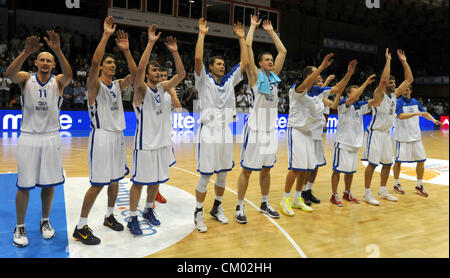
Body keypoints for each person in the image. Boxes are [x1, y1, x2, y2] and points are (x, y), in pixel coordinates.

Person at [5, 31, 72, 247]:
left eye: (49, 60)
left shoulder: (59, 82)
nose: (45, 62)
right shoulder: (26, 79)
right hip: (29, 137)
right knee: (24, 186)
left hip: (51, 138)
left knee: (49, 184)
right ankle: (20, 226)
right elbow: (9, 73)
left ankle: (45, 221)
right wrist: (25, 51)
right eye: (41, 59)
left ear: (53, 65)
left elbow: (70, 75)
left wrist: (58, 51)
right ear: (36, 63)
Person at [73, 17, 137, 245]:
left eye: (114, 63)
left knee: (115, 180)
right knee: (98, 183)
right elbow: (93, 63)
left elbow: (136, 76)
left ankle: (109, 215)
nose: (113, 65)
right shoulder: (94, 85)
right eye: (109, 63)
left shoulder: (118, 85)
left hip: (118, 136)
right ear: (102, 67)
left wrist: (127, 51)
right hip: (100, 136)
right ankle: (80, 226)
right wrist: (106, 35)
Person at [127, 25, 186, 236]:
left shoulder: (164, 88)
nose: (156, 73)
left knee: (156, 181)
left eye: (158, 71)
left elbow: (181, 73)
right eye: (153, 70)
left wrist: (175, 52)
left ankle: (148, 210)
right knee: (139, 183)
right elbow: (139, 71)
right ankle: (132, 218)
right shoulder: (141, 90)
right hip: (145, 146)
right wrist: (150, 43)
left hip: (162, 144)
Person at [193, 18, 247, 232]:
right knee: (206, 174)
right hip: (209, 130)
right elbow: (197, 57)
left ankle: (217, 207)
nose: (222, 66)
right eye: (218, 64)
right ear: (210, 67)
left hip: (225, 130)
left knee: (223, 173)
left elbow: (244, 64)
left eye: (223, 64)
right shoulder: (204, 79)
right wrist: (202, 34)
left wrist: (241, 39)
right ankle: (197, 212)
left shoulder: (230, 80)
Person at [235, 15, 286, 224]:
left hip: (269, 131)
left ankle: (264, 203)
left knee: (267, 169)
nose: (271, 61)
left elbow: (283, 51)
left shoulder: (275, 76)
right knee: (247, 170)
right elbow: (247, 46)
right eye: (267, 59)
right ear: (259, 63)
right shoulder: (255, 76)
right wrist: (253, 28)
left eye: (271, 60)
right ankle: (239, 205)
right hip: (254, 130)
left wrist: (272, 31)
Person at [295, 60, 357, 207]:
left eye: (321, 78)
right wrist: (328, 82)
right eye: (318, 77)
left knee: (315, 166)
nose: (320, 78)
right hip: (306, 133)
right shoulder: (304, 92)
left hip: (317, 134)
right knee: (306, 166)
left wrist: (348, 74)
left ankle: (308, 190)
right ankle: (301, 192)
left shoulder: (321, 95)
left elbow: (334, 103)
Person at [280, 53, 334, 216]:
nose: (318, 76)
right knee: (296, 168)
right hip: (296, 130)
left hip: (309, 133)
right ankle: (285, 199)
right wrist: (323, 66)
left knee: (306, 168)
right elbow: (305, 84)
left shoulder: (316, 91)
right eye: (315, 73)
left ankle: (297, 198)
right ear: (308, 76)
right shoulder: (296, 88)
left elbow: (336, 90)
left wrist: (349, 74)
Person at [361, 49, 414, 205]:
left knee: (387, 163)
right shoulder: (380, 93)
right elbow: (383, 80)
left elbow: (409, 79)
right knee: (372, 164)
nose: (393, 84)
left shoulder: (394, 94)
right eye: (391, 83)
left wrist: (404, 61)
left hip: (385, 134)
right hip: (375, 133)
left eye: (394, 83)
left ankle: (383, 190)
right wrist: (389, 60)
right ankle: (367, 193)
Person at [330, 74, 381, 206]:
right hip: (343, 143)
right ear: (348, 94)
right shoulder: (342, 103)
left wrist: (381, 85)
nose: (358, 93)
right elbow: (352, 98)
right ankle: (334, 195)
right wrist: (365, 83)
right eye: (355, 90)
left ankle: (347, 192)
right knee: (337, 170)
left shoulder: (360, 105)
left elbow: (375, 101)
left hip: (355, 143)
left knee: (351, 171)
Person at [392, 84, 443, 197]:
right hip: (402, 138)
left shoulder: (415, 101)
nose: (405, 92)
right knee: (398, 162)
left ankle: (419, 185)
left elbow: (424, 113)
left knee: (421, 161)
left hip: (416, 137)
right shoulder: (398, 102)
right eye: (403, 90)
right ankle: (396, 184)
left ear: (410, 91)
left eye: (407, 89)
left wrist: (433, 120)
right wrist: (416, 113)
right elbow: (401, 116)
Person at [150, 66, 183, 207]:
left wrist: (171, 91)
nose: (163, 78)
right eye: (161, 75)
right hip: (151, 135)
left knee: (161, 167)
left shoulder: (170, 91)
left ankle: (156, 192)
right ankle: (149, 198)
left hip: (165, 134)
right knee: (151, 168)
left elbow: (179, 108)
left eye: (165, 76)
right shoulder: (150, 90)